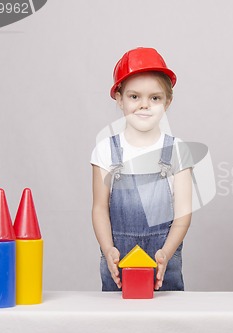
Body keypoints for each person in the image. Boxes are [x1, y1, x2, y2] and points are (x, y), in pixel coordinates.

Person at [91, 47, 192, 291]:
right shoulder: (106, 150)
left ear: (167, 102)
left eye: (154, 98)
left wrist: (165, 254)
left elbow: (183, 214)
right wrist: (108, 249)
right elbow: (99, 208)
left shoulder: (177, 150)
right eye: (134, 96)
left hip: (163, 265)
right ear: (119, 98)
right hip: (119, 264)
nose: (144, 105)